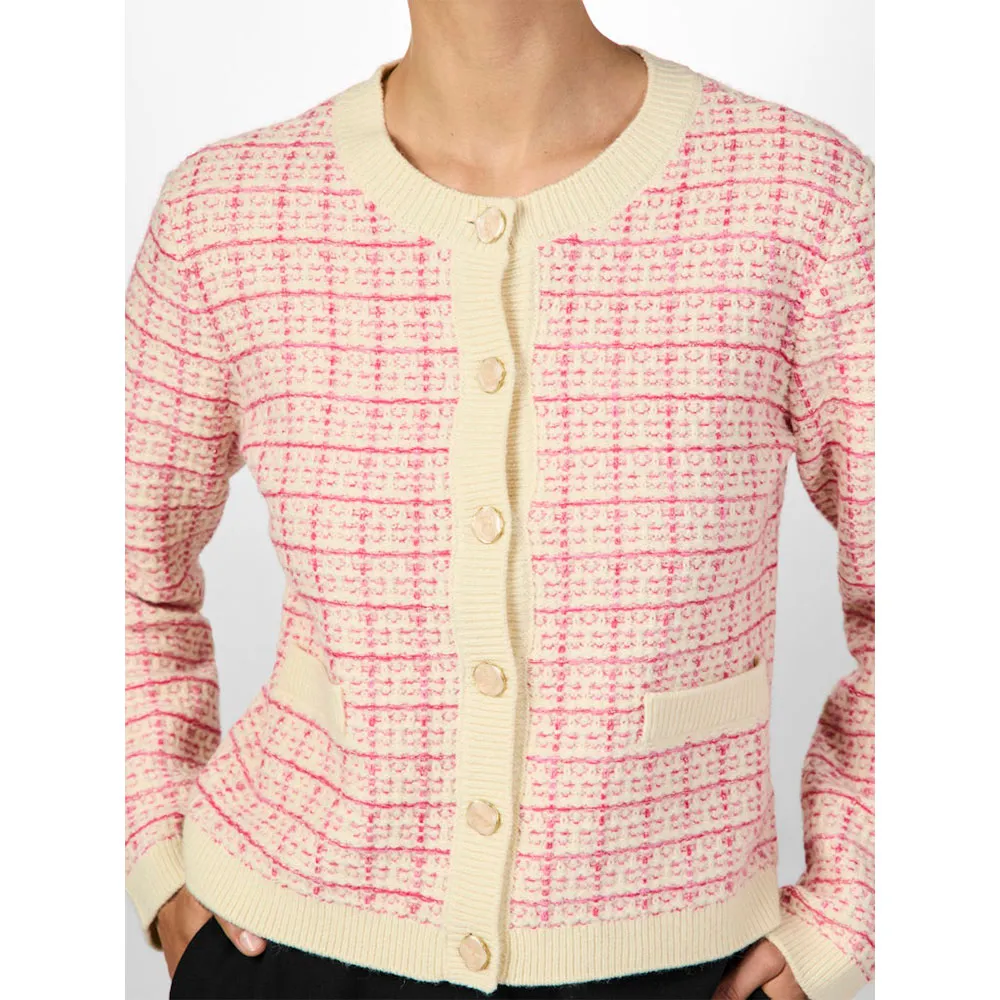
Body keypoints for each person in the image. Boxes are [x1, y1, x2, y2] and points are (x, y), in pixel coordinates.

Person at [125, 2, 874, 998]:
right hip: (282, 940)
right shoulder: (228, 213)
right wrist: (160, 850)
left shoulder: (798, 198)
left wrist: (847, 911)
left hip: (675, 961)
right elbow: (113, 566)